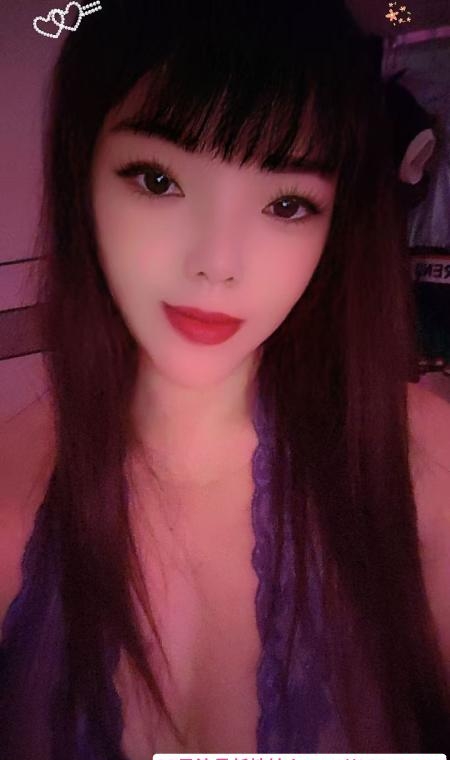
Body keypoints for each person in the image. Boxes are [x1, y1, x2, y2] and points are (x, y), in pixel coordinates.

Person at [1, 1, 450, 757]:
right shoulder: (13, 492)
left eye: (287, 203)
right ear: (84, 179)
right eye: (158, 179)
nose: (217, 262)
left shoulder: (424, 463)